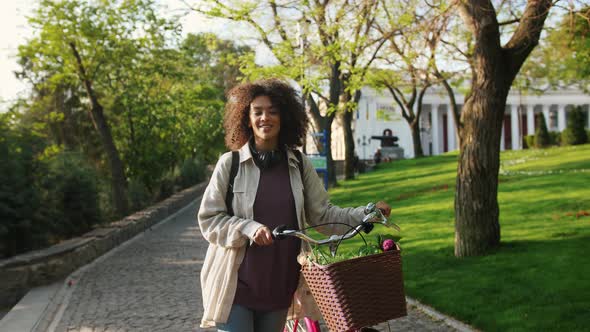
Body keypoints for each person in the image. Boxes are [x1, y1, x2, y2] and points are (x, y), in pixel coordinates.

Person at [197, 78, 392, 332]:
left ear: (284, 117)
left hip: (280, 285)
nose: (264, 118)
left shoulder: (299, 165)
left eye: (272, 111)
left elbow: (324, 215)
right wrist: (248, 228)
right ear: (247, 118)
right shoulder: (230, 164)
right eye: (257, 112)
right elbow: (209, 219)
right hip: (236, 285)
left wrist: (367, 214)